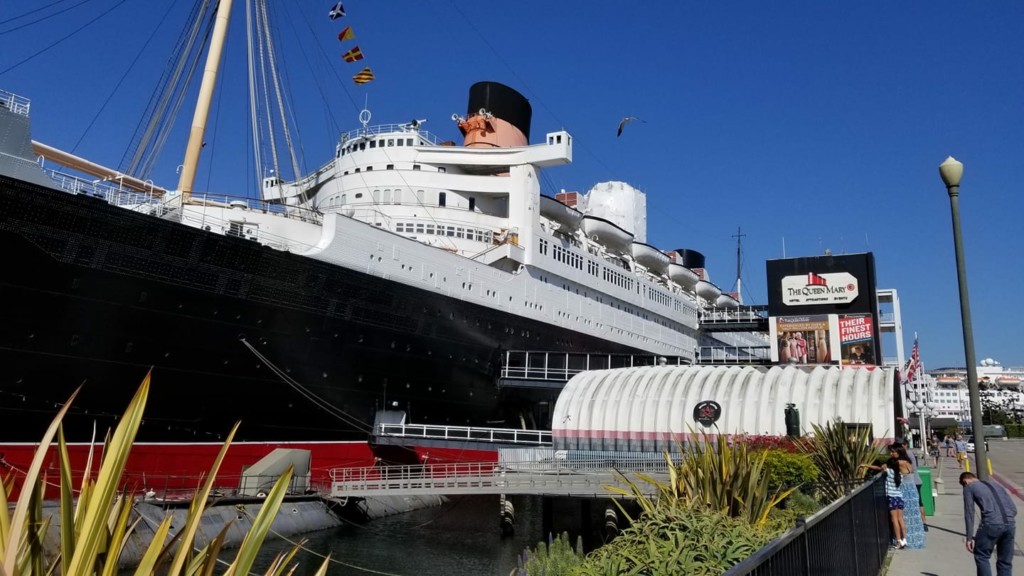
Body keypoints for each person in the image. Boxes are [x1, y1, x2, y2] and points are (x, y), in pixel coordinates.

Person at [960, 472, 1017, 576]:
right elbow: (1014, 509)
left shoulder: (969, 487)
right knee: (1005, 561)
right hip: (1010, 524)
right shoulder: (996, 485)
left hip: (991, 524)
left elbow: (969, 513)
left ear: (965, 482)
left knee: (981, 556)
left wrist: (969, 538)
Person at [861, 457, 907, 548]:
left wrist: (866, 465)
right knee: (900, 519)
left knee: (894, 520)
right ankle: (904, 539)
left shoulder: (889, 472)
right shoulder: (900, 474)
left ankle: (898, 541)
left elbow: (879, 468)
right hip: (899, 497)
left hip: (891, 497)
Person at [893, 444, 926, 548]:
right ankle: (915, 538)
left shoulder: (899, 463)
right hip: (913, 489)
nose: (891, 454)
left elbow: (889, 470)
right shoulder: (908, 461)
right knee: (914, 514)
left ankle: (904, 539)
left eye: (893, 452)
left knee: (905, 516)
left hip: (905, 490)